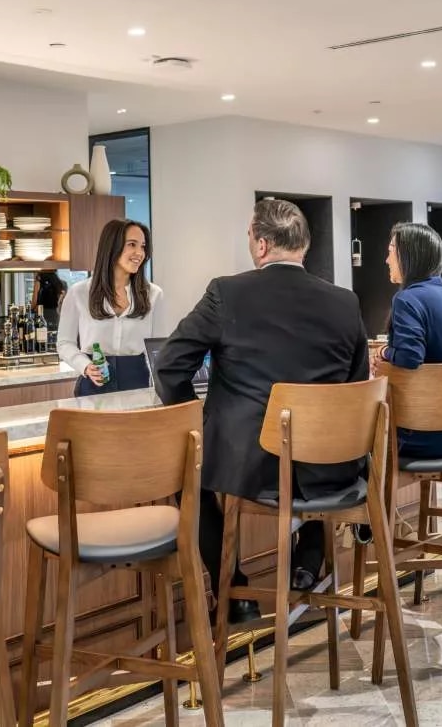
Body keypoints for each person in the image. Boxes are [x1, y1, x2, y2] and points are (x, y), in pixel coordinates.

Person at [154, 198, 369, 623]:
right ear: (303, 246)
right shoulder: (345, 302)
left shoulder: (227, 292)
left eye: (250, 236)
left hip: (250, 465)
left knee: (186, 479)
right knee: (309, 477)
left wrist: (193, 417)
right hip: (331, 466)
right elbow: (357, 388)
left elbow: (169, 364)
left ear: (262, 245)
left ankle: (233, 590)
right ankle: (307, 562)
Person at [371, 222, 442, 458]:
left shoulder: (407, 299)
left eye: (391, 251)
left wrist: (384, 353)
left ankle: (372, 496)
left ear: (409, 255)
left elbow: (410, 356)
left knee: (353, 434)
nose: (387, 260)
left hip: (421, 433)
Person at [57, 219, 161, 396]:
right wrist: (85, 365)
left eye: (143, 246)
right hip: (93, 383)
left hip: (138, 384)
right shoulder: (79, 293)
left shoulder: (154, 294)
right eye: (132, 244)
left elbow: (159, 348)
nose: (140, 253)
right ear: (112, 247)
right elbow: (65, 343)